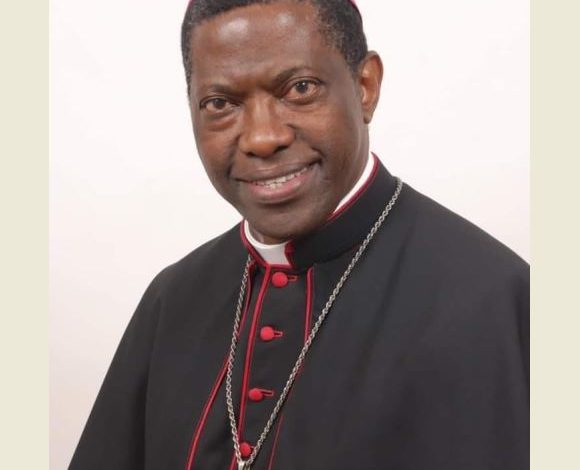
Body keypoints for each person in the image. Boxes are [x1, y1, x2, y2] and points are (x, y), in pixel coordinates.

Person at [70, 0, 529, 469]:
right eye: (220, 104)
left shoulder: (493, 299)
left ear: (365, 86)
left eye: (300, 88)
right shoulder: (173, 299)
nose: (262, 138)